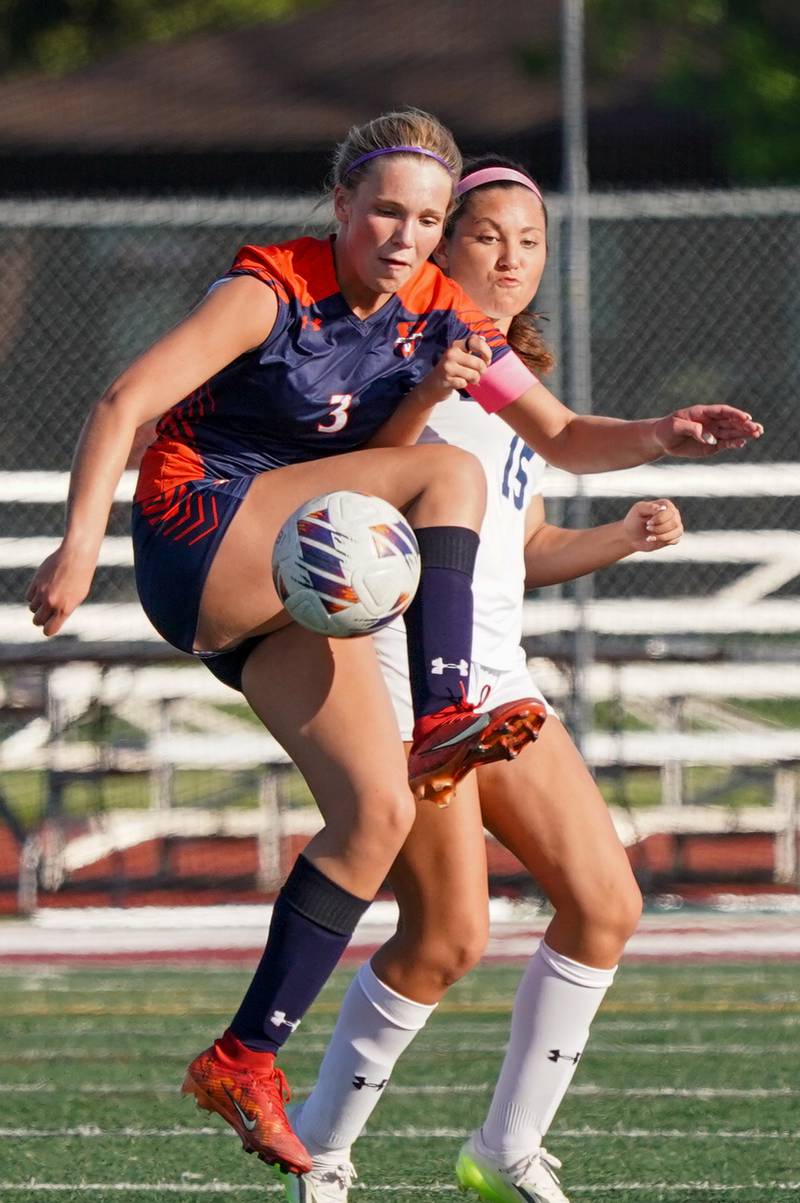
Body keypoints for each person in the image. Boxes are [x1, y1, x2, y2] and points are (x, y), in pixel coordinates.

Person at [25, 110, 760, 1184]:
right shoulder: (272, 285)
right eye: (389, 212)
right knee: (444, 480)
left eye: (424, 217)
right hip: (204, 534)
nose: (407, 235)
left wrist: (656, 435)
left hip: (279, 599)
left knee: (370, 821)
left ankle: (243, 1056)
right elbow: (125, 397)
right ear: (340, 207)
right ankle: (445, 704)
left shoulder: (439, 314)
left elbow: (556, 436)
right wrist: (80, 545)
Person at [278, 158, 731, 1203]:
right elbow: (346, 490)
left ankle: (502, 1150)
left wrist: (623, 524)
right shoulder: (393, 350)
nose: (511, 257)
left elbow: (518, 543)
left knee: (605, 903)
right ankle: (321, 1153)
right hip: (399, 685)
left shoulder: (504, 376)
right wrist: (423, 391)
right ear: (441, 245)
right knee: (445, 939)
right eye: (486, 236)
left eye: (528, 241)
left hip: (498, 680)